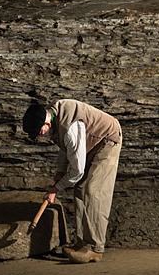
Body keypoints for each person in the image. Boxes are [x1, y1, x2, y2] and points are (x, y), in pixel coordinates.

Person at [22, 99, 123, 264]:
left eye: (39, 132)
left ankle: (95, 248)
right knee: (80, 189)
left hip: (107, 139)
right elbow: (67, 149)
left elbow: (77, 169)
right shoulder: (55, 120)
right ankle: (82, 243)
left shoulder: (69, 126)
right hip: (92, 143)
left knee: (93, 191)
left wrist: (56, 189)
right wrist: (61, 171)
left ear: (46, 122)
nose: (39, 136)